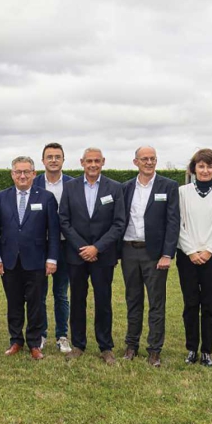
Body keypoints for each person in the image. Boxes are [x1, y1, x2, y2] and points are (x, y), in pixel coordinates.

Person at [58, 147, 126, 364]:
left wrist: (97, 247)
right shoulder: (69, 187)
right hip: (76, 255)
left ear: (103, 162)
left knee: (103, 301)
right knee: (77, 299)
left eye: (97, 161)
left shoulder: (114, 188)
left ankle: (105, 347)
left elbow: (118, 223)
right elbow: (64, 221)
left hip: (103, 256)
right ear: (82, 163)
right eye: (89, 161)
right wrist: (82, 247)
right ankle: (78, 344)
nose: (93, 165)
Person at [0, 156, 60, 359]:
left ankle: (34, 343)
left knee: (36, 302)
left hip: (37, 260)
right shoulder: (1, 197)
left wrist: (52, 259)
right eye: (18, 172)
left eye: (26, 172)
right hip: (9, 260)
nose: (22, 175)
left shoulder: (46, 198)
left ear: (33, 174)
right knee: (13, 302)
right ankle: (15, 341)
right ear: (12, 174)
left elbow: (53, 232)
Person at [120, 146, 180, 367]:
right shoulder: (125, 187)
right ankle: (131, 346)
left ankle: (154, 350)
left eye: (152, 159)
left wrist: (167, 254)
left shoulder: (169, 186)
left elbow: (173, 222)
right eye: (144, 159)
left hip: (154, 254)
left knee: (156, 303)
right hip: (128, 250)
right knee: (133, 300)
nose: (149, 162)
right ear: (135, 162)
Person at [177, 149, 212, 367]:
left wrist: (209, 250)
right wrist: (191, 251)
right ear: (194, 168)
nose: (205, 170)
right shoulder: (182, 192)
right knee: (190, 303)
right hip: (187, 256)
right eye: (201, 166)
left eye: (209, 166)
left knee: (209, 304)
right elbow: (178, 223)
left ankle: (206, 351)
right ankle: (191, 348)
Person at [34, 142, 76, 353]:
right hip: (39, 246)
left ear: (63, 160)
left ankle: (62, 335)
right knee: (39, 293)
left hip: (64, 245)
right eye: (49, 156)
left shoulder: (72, 184)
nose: (53, 160)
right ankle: (40, 334)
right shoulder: (33, 183)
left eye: (57, 156)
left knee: (61, 293)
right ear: (43, 160)